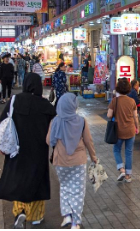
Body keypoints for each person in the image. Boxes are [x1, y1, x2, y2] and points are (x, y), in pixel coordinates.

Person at [0, 73, 57, 228]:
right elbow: (55, 126)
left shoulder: (14, 101)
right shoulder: (45, 106)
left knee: (19, 180)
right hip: (38, 150)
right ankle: (36, 216)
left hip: (17, 149)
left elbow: (3, 121)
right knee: (37, 181)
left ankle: (20, 211)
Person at [47, 93, 98, 229]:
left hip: (60, 162)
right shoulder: (81, 121)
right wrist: (93, 157)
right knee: (78, 191)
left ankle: (67, 216)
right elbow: (88, 141)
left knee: (64, 187)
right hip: (78, 162)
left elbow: (48, 141)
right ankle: (75, 222)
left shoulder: (55, 121)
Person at [107, 79, 139, 183]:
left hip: (118, 131)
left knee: (116, 150)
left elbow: (109, 115)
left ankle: (121, 169)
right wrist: (137, 127)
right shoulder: (132, 101)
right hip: (130, 130)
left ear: (118, 88)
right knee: (129, 153)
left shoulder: (114, 101)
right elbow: (135, 117)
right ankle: (128, 176)